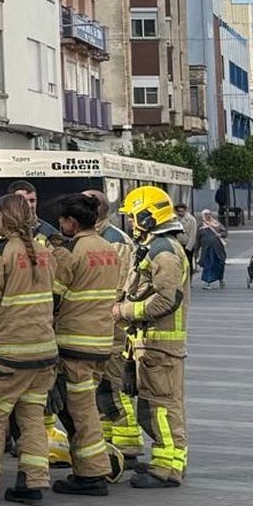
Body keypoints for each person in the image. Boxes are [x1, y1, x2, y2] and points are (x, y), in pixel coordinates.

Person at [0, 194, 59, 503]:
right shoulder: (46, 253)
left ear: (3, 219)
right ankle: (33, 482)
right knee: (32, 417)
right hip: (43, 352)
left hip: (7, 353)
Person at [117, 185, 189, 488]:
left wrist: (125, 311)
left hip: (160, 345)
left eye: (133, 217)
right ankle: (165, 460)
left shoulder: (165, 252)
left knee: (162, 406)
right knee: (156, 404)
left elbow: (166, 299)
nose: (131, 223)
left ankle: (168, 468)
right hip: (151, 343)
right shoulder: (156, 247)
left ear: (147, 217)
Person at [49, 194, 121, 495]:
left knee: (81, 411)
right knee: (86, 406)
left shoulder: (70, 252)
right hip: (101, 341)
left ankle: (92, 474)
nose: (60, 225)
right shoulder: (109, 248)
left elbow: (52, 298)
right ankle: (91, 468)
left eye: (62, 220)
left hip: (73, 344)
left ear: (71, 222)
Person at [87, 192, 144, 464]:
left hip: (112, 326)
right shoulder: (99, 237)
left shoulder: (115, 241)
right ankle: (110, 438)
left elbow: (118, 287)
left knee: (113, 384)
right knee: (102, 388)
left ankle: (128, 442)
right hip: (100, 324)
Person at [194, 210, 227, 289]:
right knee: (208, 265)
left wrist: (221, 234)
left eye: (209, 214)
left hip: (218, 249)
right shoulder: (201, 226)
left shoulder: (216, 224)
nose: (208, 216)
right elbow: (198, 239)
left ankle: (220, 279)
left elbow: (225, 232)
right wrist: (196, 250)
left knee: (219, 265)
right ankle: (207, 282)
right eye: (206, 214)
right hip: (207, 250)